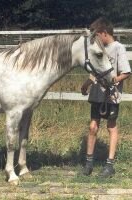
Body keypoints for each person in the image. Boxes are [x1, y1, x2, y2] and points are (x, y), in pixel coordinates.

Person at [81, 17, 131, 178]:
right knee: (93, 127)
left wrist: (114, 80)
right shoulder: (99, 48)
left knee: (111, 127)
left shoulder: (118, 48)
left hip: (111, 95)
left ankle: (109, 164)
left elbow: (126, 72)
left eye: (97, 35)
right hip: (97, 94)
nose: (95, 38)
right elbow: (95, 70)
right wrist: (87, 83)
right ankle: (89, 162)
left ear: (104, 33)